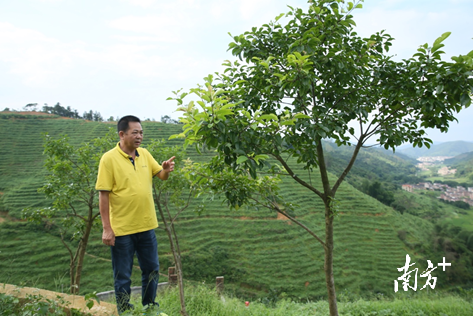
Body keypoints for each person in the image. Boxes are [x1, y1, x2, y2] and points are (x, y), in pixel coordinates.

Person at [95, 115, 175, 315]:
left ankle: (149, 308)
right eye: (135, 132)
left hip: (147, 226)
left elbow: (161, 176)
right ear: (122, 134)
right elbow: (103, 195)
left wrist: (166, 170)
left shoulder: (145, 154)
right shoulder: (109, 159)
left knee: (152, 270)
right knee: (123, 275)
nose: (139, 136)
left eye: (141, 132)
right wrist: (107, 229)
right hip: (122, 230)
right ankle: (125, 311)